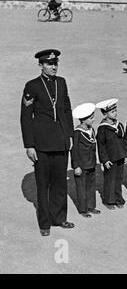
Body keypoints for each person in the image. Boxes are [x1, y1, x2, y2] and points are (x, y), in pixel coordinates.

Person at [20, 49, 75, 236]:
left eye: (55, 63)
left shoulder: (62, 82)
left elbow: (67, 110)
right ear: (41, 65)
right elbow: (26, 117)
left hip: (60, 141)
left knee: (60, 183)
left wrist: (70, 135)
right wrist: (29, 145)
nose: (54, 67)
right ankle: (45, 223)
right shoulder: (32, 86)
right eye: (50, 64)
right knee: (43, 184)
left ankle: (59, 218)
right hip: (41, 144)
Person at [96, 98, 127, 210]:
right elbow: (101, 146)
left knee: (118, 179)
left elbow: (124, 141)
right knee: (110, 180)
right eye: (112, 111)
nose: (115, 113)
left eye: (115, 110)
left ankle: (118, 198)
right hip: (110, 159)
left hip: (119, 157)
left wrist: (126, 154)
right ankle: (109, 201)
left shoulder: (119, 125)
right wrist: (104, 160)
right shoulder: (102, 129)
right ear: (105, 114)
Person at [71, 103, 100, 218]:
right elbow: (74, 150)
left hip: (91, 163)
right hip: (82, 165)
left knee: (91, 186)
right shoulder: (77, 133)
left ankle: (91, 206)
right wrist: (76, 166)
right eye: (91, 118)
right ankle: (83, 209)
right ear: (83, 120)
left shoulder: (91, 130)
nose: (93, 120)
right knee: (81, 187)